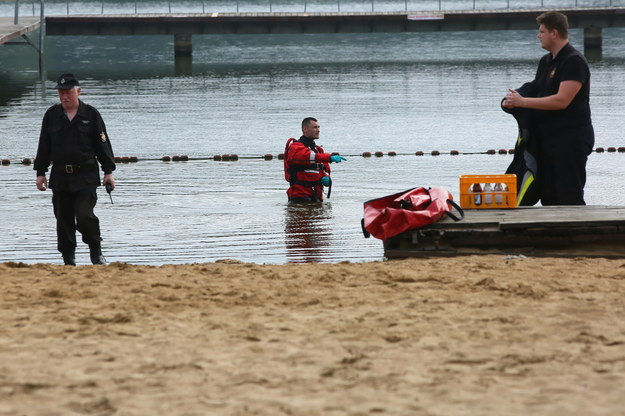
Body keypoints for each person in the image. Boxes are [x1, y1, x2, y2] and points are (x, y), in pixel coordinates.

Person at [502, 10, 594, 205]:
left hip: (571, 138)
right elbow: (535, 87)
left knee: (568, 193)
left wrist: (523, 102)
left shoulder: (573, 61)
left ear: (554, 33)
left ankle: (577, 231)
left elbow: (562, 100)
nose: (538, 35)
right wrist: (513, 97)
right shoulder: (546, 61)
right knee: (549, 194)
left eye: (542, 31)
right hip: (549, 139)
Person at [34, 73, 116, 266]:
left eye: (68, 92)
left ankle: (96, 253)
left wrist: (108, 172)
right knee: (63, 220)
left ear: (78, 91)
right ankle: (68, 259)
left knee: (84, 215)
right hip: (60, 176)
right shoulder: (51, 115)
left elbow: (102, 145)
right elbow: (44, 146)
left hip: (86, 175)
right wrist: (40, 173)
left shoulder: (91, 114)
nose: (64, 96)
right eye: (61, 93)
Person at [284, 117, 346, 203]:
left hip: (316, 195)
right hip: (300, 195)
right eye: (315, 127)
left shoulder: (318, 150)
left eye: (318, 127)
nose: (318, 130)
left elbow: (325, 169)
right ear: (305, 129)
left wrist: (327, 178)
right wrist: (329, 157)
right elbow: (306, 157)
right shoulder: (295, 147)